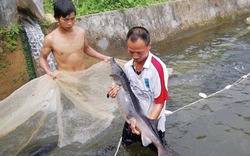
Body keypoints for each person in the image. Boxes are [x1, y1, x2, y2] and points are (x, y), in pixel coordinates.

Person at [108, 26, 169, 153]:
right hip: (133, 118)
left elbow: (160, 102)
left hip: (152, 122)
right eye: (131, 52)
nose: (135, 56)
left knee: (158, 150)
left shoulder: (157, 69)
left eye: (139, 52)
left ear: (149, 46)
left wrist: (147, 125)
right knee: (128, 148)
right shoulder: (128, 67)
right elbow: (127, 91)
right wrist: (114, 91)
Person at [39, 0, 110, 78]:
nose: (70, 23)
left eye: (72, 19)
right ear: (57, 18)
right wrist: (49, 72)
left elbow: (86, 49)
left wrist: (103, 57)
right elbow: (42, 58)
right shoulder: (50, 39)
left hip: (83, 75)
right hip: (66, 79)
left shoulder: (81, 32)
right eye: (66, 20)